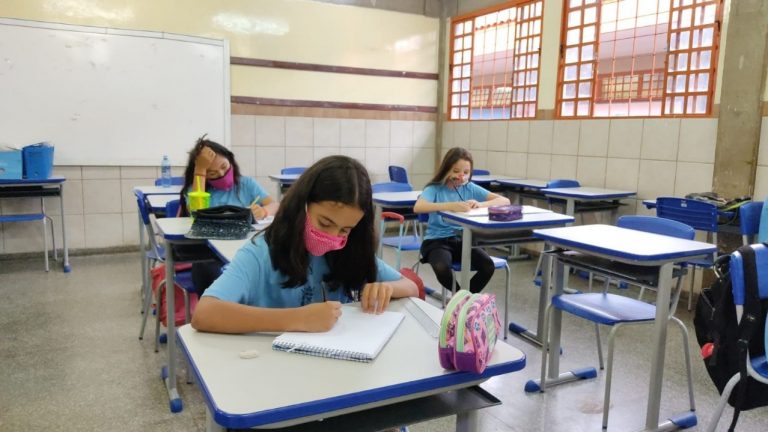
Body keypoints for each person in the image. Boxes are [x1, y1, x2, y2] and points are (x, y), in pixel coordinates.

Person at [191, 155, 419, 334]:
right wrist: (298, 318)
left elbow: (411, 287)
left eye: (345, 230)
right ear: (302, 205)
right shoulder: (262, 252)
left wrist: (387, 288)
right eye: (325, 223)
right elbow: (205, 313)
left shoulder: (348, 251)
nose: (332, 236)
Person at [180, 135, 279, 296]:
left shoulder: (246, 184)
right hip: (210, 256)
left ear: (231, 160)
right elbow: (196, 213)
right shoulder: (196, 189)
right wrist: (200, 171)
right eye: (212, 173)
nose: (221, 174)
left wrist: (264, 211)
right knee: (221, 282)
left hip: (246, 250)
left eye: (224, 167)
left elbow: (276, 205)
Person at [413, 147, 510, 294]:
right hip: (437, 240)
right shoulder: (435, 188)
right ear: (446, 169)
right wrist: (451, 206)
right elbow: (418, 207)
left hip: (464, 239)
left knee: (488, 266)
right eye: (456, 171)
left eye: (466, 172)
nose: (461, 176)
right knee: (441, 267)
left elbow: (504, 201)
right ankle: (461, 297)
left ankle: (464, 299)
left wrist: (480, 204)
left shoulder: (469, 188)